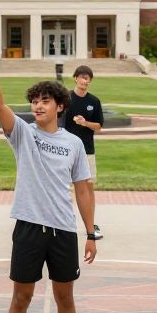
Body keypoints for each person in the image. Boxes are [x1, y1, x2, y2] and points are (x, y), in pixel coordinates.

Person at [0, 58, 97, 313]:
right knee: (21, 297)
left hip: (62, 230)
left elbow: (83, 189)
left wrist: (90, 233)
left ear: (59, 106)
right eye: (34, 101)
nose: (38, 105)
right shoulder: (21, 133)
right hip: (29, 228)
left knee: (65, 298)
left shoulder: (73, 143)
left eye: (45, 100)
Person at [62, 65, 105, 239]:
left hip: (87, 150)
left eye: (87, 78)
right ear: (75, 78)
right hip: (66, 149)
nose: (84, 81)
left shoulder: (94, 102)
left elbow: (99, 126)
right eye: (82, 77)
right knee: (62, 186)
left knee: (88, 188)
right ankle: (62, 223)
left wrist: (85, 123)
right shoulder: (66, 100)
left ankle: (91, 225)